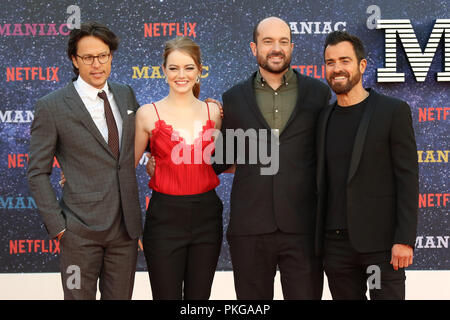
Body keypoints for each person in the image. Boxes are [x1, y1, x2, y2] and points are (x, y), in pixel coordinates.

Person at [213, 17, 331, 299]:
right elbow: (221, 159)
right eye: (268, 42)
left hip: (303, 226)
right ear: (254, 48)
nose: (276, 48)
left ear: (292, 46)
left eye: (283, 41)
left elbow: (329, 153)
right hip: (250, 227)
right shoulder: (233, 98)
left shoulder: (318, 93)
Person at [27, 22, 142, 300]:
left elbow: (148, 137)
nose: (97, 64)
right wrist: (60, 228)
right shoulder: (52, 106)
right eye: (88, 57)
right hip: (78, 234)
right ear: (74, 60)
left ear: (111, 56)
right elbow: (37, 173)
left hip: (125, 233)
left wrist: (204, 105)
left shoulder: (125, 93)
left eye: (103, 55)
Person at [315, 31, 419, 300]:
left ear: (361, 65)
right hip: (336, 247)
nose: (337, 68)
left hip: (381, 247)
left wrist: (404, 239)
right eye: (330, 62)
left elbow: (407, 179)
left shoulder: (392, 111)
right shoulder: (322, 117)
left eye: (344, 60)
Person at [134, 36, 223, 300]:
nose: (181, 75)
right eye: (173, 68)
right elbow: (124, 167)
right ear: (163, 70)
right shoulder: (148, 114)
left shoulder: (214, 112)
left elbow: (219, 162)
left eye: (188, 68)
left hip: (207, 216)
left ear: (199, 70)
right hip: (164, 219)